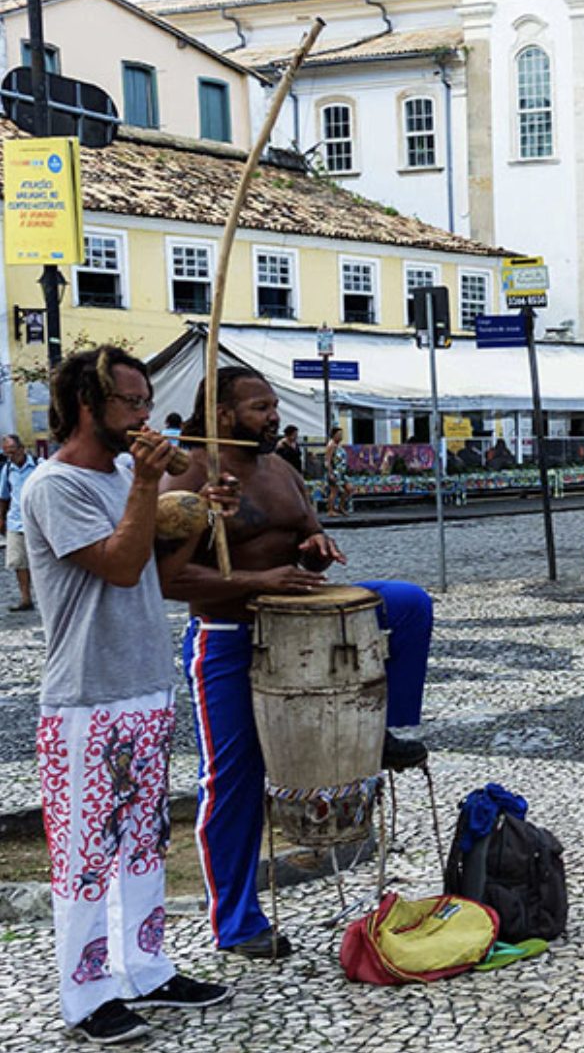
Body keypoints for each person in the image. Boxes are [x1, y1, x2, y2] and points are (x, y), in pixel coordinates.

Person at [158, 368, 434, 959]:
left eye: (273, 405)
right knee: (232, 780)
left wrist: (316, 549)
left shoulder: (281, 468)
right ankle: (237, 922)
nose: (273, 416)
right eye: (260, 407)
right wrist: (258, 580)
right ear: (223, 413)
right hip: (230, 634)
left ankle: (385, 732)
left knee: (409, 604)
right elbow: (168, 580)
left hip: (302, 619)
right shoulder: (188, 472)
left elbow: (310, 540)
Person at [23, 347, 236, 1042]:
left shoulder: (121, 473)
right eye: (133, 402)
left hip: (145, 685)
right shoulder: (54, 487)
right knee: (85, 854)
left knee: (143, 844)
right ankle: (86, 996)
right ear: (90, 405)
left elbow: (156, 576)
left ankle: (145, 967)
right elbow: (116, 567)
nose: (147, 416)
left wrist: (200, 518)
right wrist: (148, 483)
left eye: (148, 402)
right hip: (86, 699)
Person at [1, 433, 38, 611]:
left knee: (43, 561)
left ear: (22, 449)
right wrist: (1, 518)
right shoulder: (7, 469)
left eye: (13, 451)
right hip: (15, 521)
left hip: (38, 522)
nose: (10, 456)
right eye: (6, 453)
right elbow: (3, 496)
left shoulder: (39, 466)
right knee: (19, 562)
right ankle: (26, 599)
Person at [324, 425, 353, 517]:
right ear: (334, 435)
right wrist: (331, 473)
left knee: (349, 488)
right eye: (339, 434)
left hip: (342, 472)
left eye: (341, 434)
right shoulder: (331, 445)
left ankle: (340, 506)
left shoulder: (338, 445)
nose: (341, 436)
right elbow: (328, 461)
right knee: (334, 491)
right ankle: (331, 510)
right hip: (335, 471)